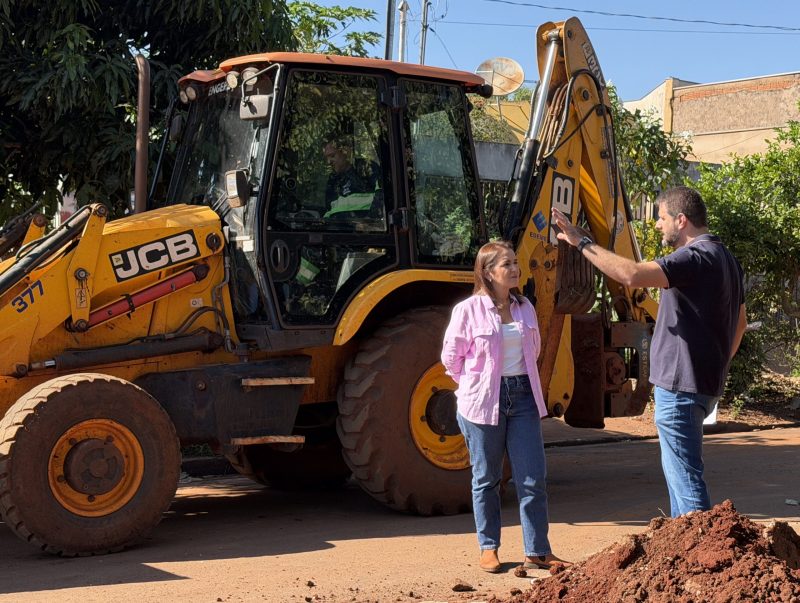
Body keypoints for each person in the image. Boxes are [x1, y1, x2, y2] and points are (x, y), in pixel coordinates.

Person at [551, 186, 747, 518]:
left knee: (685, 478)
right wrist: (715, 365)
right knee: (683, 473)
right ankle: (690, 546)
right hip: (700, 384)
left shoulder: (693, 258)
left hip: (680, 386)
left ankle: (698, 554)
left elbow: (631, 275)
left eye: (662, 218)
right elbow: (740, 324)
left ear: (681, 220)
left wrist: (580, 242)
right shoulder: (726, 258)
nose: (658, 225)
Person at [441, 241, 570, 573]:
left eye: (515, 262)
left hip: (524, 395)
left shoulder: (525, 306)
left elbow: (535, 349)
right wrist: (474, 386)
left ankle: (538, 551)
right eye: (506, 264)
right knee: (487, 478)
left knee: (532, 478)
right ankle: (488, 548)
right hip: (483, 401)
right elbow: (451, 359)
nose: (514, 269)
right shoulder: (467, 310)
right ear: (487, 271)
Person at [322, 139, 377, 216]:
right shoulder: (333, 179)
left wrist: (370, 220)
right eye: (326, 158)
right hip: (337, 226)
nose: (329, 162)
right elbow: (329, 209)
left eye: (332, 156)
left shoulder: (365, 167)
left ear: (346, 151)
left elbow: (381, 197)